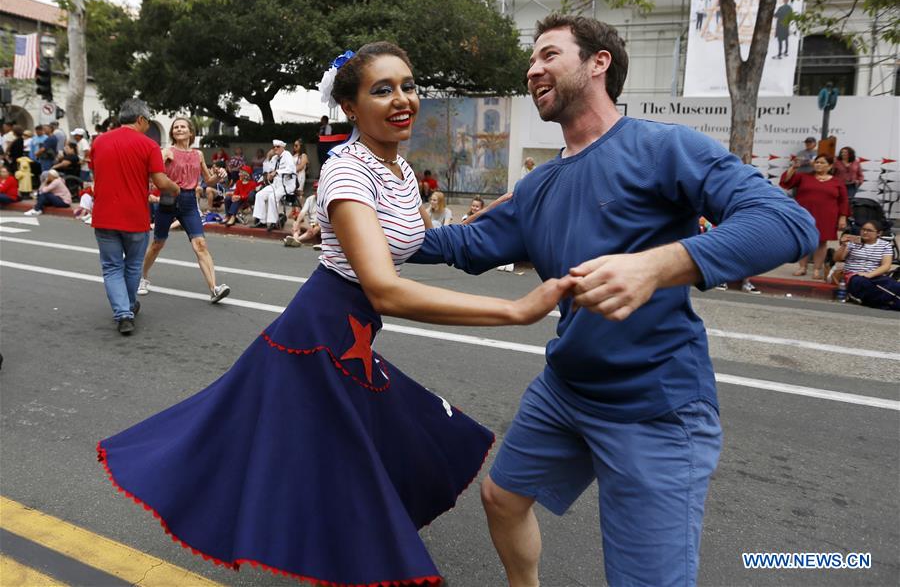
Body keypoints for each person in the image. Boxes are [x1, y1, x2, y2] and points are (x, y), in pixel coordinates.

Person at [97, 41, 574, 587]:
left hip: (348, 339)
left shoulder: (393, 164)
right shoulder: (348, 173)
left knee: (388, 455)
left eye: (409, 86)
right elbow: (384, 289)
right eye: (382, 90)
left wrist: (506, 226)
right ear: (350, 107)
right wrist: (515, 309)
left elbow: (413, 239)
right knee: (341, 477)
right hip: (320, 342)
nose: (403, 100)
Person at [410, 14, 817, 587]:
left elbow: (788, 222)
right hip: (566, 387)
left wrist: (659, 264)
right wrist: (360, 231)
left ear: (598, 63)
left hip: (655, 406)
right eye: (532, 59)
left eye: (549, 54)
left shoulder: (662, 147)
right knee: (502, 498)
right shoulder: (538, 185)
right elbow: (466, 243)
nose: (533, 69)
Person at [88, 99, 179, 335]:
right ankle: (126, 310)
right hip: (135, 216)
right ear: (140, 119)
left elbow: (96, 176)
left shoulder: (99, 142)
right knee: (132, 266)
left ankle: (124, 312)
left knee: (111, 267)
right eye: (147, 121)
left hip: (104, 214)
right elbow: (160, 181)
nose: (148, 126)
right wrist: (175, 188)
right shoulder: (148, 145)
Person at [136, 117, 231, 304]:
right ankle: (142, 278)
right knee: (157, 244)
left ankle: (214, 289)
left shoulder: (198, 155)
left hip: (189, 201)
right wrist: (163, 162)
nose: (179, 129)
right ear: (172, 133)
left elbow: (207, 180)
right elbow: (153, 173)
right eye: (176, 127)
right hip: (168, 199)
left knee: (200, 244)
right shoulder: (167, 151)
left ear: (190, 132)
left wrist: (220, 177)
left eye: (183, 127)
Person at [780, 153, 849, 279]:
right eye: (817, 162)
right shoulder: (804, 177)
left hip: (827, 216)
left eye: (822, 163)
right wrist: (793, 168)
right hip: (805, 214)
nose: (819, 165)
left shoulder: (837, 182)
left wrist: (843, 217)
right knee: (804, 240)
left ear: (830, 166)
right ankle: (802, 267)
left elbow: (843, 201)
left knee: (821, 242)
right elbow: (786, 182)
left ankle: (817, 269)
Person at [833, 221, 899, 310]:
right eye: (863, 230)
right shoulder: (853, 242)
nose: (864, 232)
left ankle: (889, 302)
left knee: (893, 285)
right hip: (853, 274)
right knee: (864, 283)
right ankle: (886, 303)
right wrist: (844, 245)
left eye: (869, 230)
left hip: (874, 274)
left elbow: (886, 266)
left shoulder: (885, 245)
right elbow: (837, 258)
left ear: (878, 233)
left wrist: (869, 274)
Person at [251, 139, 296, 230]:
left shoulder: (287, 155)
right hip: (275, 184)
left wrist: (277, 172)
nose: (275, 148)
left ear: (283, 147)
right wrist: (268, 156)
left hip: (286, 185)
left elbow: (291, 169)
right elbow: (267, 169)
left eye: (278, 147)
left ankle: (273, 222)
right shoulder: (275, 158)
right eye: (274, 147)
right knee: (260, 195)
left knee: (272, 197)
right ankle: (261, 221)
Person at [283, 180, 320, 247]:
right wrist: (297, 222)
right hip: (311, 222)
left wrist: (313, 225)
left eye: (317, 190)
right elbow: (303, 212)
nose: (316, 192)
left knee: (315, 228)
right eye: (314, 190)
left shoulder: (325, 201)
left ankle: (297, 240)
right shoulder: (310, 199)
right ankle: (295, 239)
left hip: (320, 225)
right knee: (295, 223)